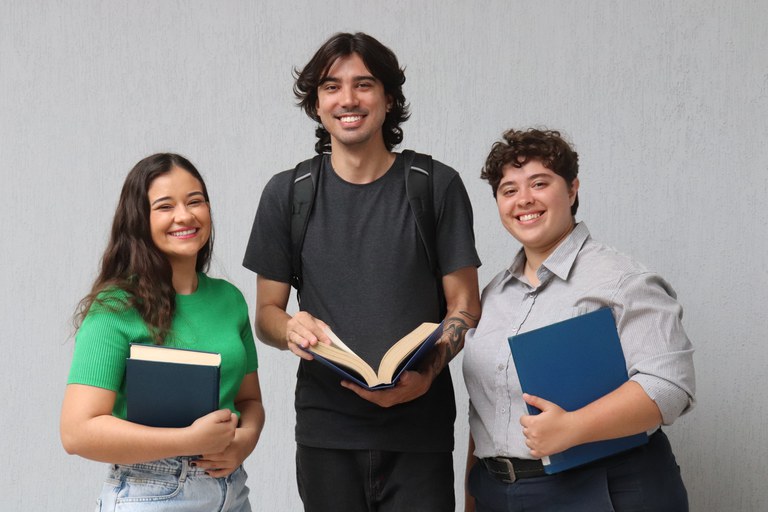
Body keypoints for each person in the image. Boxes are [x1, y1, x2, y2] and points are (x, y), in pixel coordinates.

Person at [243, 32, 481, 511]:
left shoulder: (436, 185)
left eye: (364, 84)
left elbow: (465, 305)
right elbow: (266, 314)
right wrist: (290, 328)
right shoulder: (287, 193)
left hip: (421, 433)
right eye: (331, 87)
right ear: (316, 104)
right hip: (326, 434)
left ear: (388, 99)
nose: (348, 99)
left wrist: (429, 372)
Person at [462, 129, 696, 512]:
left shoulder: (621, 280)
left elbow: (669, 387)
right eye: (509, 190)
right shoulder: (491, 295)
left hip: (604, 487)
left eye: (540, 183)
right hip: (497, 494)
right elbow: (485, 409)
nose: (524, 199)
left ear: (572, 190)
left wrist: (573, 428)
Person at [61, 153, 264, 511]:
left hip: (232, 491)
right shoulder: (115, 307)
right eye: (165, 206)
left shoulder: (230, 299)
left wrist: (245, 440)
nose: (184, 216)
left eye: (195, 201)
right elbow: (77, 432)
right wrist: (189, 440)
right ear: (140, 220)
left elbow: (250, 402)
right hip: (152, 492)